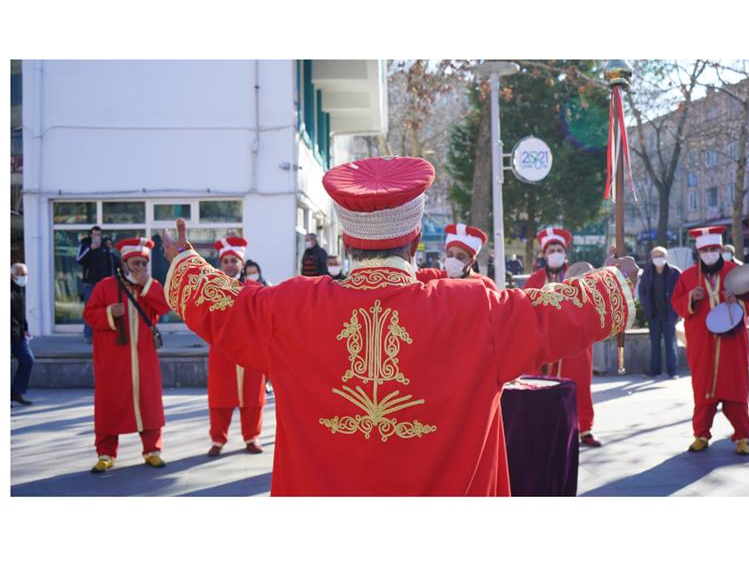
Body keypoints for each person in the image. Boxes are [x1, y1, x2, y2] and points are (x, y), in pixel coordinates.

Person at [162, 156, 638, 496]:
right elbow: (556, 311)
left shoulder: (288, 307)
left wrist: (185, 261)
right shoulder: (475, 308)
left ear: (348, 245)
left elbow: (221, 303)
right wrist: (615, 282)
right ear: (415, 242)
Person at [83, 237, 171, 473]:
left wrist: (148, 285)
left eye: (144, 264)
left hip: (144, 359)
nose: (141, 268)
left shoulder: (149, 286)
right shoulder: (105, 286)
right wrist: (109, 312)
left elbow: (166, 305)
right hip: (112, 360)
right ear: (124, 263)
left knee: (149, 403)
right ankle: (105, 453)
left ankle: (152, 450)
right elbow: (89, 314)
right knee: (109, 404)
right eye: (136, 263)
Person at [671, 226, 749, 455]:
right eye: (705, 250)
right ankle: (701, 435)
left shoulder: (735, 271)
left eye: (713, 249)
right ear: (699, 251)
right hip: (702, 343)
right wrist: (692, 297)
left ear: (720, 249)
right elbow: (677, 303)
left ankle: (742, 437)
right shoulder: (688, 276)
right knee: (703, 391)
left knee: (736, 390)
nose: (709, 253)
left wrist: (738, 300)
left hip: (732, 343)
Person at [524, 227, 604, 447]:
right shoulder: (535, 278)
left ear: (565, 251)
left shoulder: (580, 273)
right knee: (542, 387)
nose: (555, 253)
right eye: (551, 250)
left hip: (575, 342)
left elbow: (591, 304)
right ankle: (544, 426)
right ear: (544, 254)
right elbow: (527, 308)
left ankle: (585, 428)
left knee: (580, 384)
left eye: (559, 249)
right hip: (545, 342)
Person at [205, 237, 268, 456]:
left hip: (250, 352)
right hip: (222, 352)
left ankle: (252, 437)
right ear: (220, 265)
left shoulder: (255, 289)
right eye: (226, 261)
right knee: (220, 398)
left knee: (252, 397)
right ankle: (218, 439)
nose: (230, 264)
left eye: (234, 260)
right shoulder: (212, 289)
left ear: (242, 263)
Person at [637, 246, 680, 378]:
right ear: (651, 258)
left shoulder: (674, 273)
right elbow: (642, 291)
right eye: (655, 256)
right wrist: (646, 305)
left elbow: (681, 291)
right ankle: (654, 371)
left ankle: (672, 372)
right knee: (655, 343)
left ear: (666, 257)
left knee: (670, 343)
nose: (658, 258)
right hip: (654, 314)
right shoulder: (648, 273)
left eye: (661, 255)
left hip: (669, 314)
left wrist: (678, 310)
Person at [416, 223, 497, 290]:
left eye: (460, 257)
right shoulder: (431, 277)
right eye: (450, 255)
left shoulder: (485, 285)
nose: (453, 260)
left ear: (471, 261)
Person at [77, 226, 116, 343]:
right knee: (90, 309)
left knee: (105, 309)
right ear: (90, 235)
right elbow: (79, 260)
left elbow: (111, 263)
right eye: (94, 235)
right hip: (90, 283)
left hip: (104, 284)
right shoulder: (85, 245)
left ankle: (103, 333)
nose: (96, 237)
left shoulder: (105, 247)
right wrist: (90, 249)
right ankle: (89, 334)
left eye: (98, 235)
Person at [11, 263, 35, 406]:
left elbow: (21, 311)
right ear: (12, 274)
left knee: (28, 360)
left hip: (18, 333)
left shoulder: (20, 288)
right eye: (21, 274)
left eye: (26, 274)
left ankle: (16, 392)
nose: (24, 277)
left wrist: (25, 328)